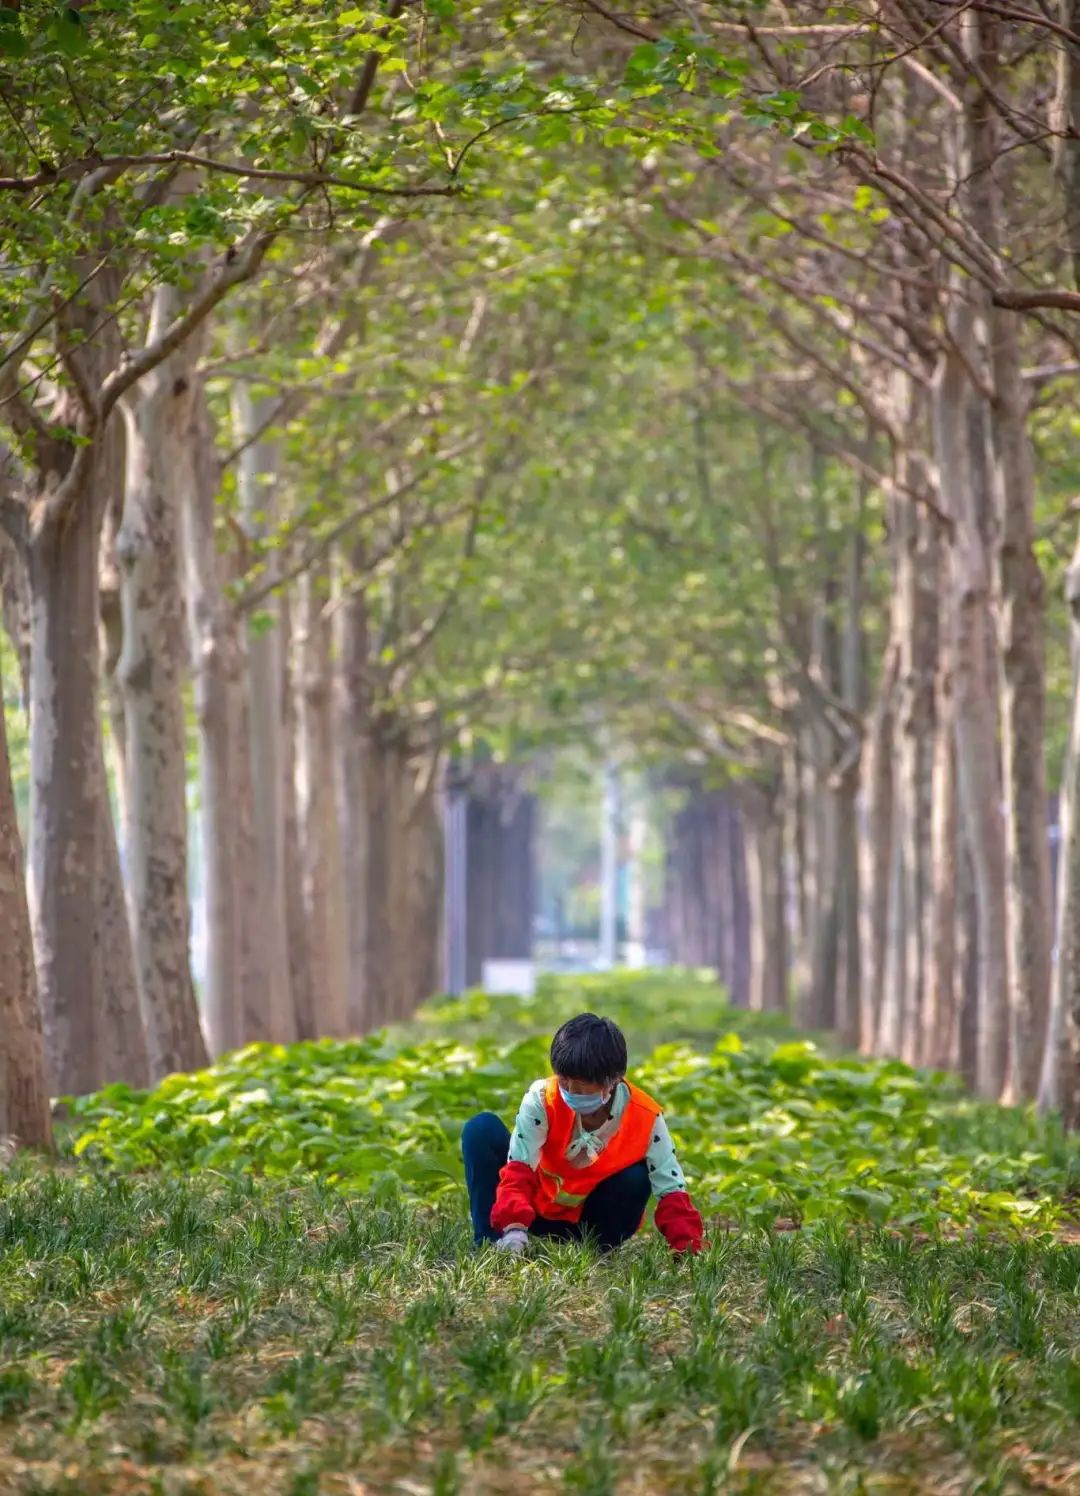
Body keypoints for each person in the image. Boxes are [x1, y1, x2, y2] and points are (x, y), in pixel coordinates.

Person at [461, 1012, 706, 1256]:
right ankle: (491, 1242)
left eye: (582, 1083)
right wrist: (514, 1228)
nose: (570, 1089)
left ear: (613, 1079)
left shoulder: (646, 1116)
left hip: (596, 1222)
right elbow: (519, 1167)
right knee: (481, 1129)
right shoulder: (542, 1098)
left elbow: (671, 1189)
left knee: (636, 1178)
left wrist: (688, 1249)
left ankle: (598, 1250)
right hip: (535, 1209)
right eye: (564, 1079)